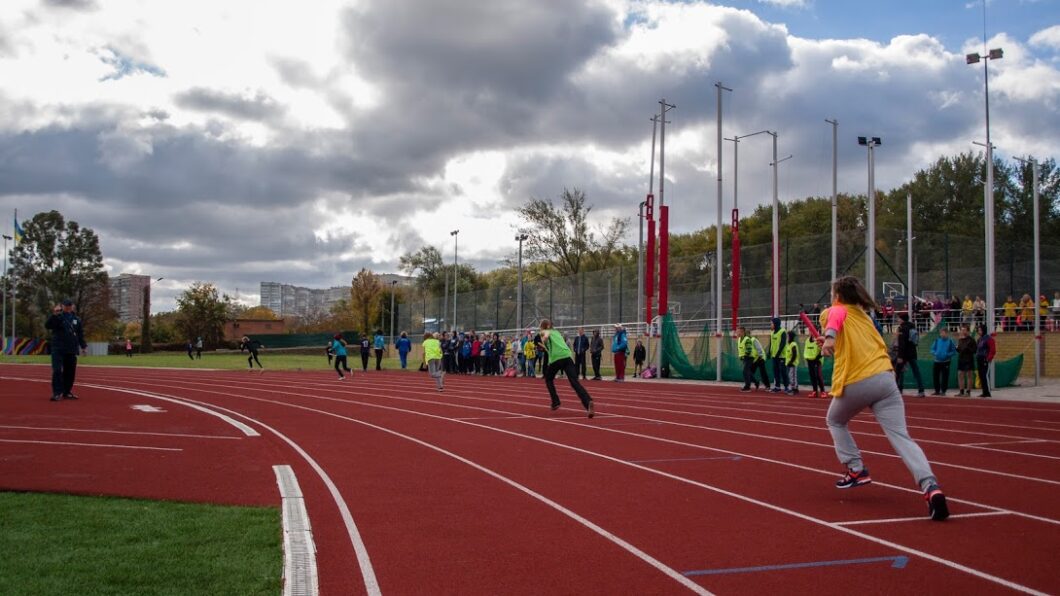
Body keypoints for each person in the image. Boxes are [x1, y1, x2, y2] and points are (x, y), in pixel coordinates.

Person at [818, 276, 948, 521]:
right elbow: (858, 341)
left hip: (858, 379)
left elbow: (835, 318)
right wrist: (833, 341)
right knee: (902, 437)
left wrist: (831, 338)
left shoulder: (834, 311)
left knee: (835, 421)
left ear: (838, 295)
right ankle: (931, 487)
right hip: (886, 379)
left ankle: (855, 468)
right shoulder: (865, 318)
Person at [539, 319, 595, 418]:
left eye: (541, 326)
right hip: (567, 356)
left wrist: (544, 339)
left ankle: (555, 401)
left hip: (556, 359)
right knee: (574, 382)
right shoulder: (557, 332)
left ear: (546, 326)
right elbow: (552, 344)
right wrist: (544, 346)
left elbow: (546, 335)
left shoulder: (545, 331)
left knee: (548, 379)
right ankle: (588, 401)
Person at [45, 299, 87, 401]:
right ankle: (57, 393)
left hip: (71, 349)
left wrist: (83, 346)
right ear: (62, 306)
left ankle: (66, 392)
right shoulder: (58, 317)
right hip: (58, 348)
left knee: (70, 372)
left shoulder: (76, 319)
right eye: (66, 305)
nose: (68, 307)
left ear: (72, 306)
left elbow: (80, 334)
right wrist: (54, 315)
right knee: (57, 370)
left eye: (69, 305)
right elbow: (48, 325)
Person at [894, 313, 926, 397]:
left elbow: (902, 343)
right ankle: (921, 390)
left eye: (899, 318)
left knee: (897, 372)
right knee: (916, 372)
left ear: (902, 319)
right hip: (912, 352)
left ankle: (894, 391)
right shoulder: (912, 326)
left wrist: (900, 356)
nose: (898, 320)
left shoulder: (901, 328)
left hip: (904, 354)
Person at [929, 327, 956, 396]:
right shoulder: (937, 340)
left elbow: (953, 351)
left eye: (943, 333)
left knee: (945, 377)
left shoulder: (950, 341)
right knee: (935, 376)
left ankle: (943, 391)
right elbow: (932, 349)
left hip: (946, 362)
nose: (942, 334)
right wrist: (935, 353)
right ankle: (937, 391)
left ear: (947, 333)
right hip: (936, 361)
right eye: (941, 333)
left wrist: (947, 354)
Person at [804, 328, 826, 398]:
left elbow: (822, 350)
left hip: (817, 360)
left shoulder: (819, 340)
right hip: (810, 360)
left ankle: (823, 391)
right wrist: (807, 358)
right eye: (810, 331)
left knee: (818, 376)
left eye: (813, 330)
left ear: (817, 331)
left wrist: (816, 358)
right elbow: (806, 350)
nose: (811, 332)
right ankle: (814, 391)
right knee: (812, 376)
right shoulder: (807, 340)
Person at [768, 318, 788, 393]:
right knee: (776, 371)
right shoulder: (772, 333)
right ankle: (777, 386)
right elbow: (771, 343)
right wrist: (769, 352)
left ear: (776, 324)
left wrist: (778, 353)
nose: (771, 325)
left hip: (781, 356)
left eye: (772, 323)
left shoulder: (782, 332)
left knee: (783, 371)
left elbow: (782, 344)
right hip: (774, 356)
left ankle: (786, 387)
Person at [975, 323, 996, 398]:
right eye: (978, 330)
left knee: (985, 375)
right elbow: (977, 349)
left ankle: (988, 392)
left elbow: (992, 350)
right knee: (981, 376)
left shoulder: (989, 339)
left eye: (980, 330)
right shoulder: (979, 339)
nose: (979, 331)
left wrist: (988, 359)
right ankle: (984, 391)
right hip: (979, 359)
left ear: (984, 330)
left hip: (985, 359)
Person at [955, 326, 977, 397]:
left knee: (969, 375)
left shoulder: (971, 340)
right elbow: (959, 350)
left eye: (964, 330)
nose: (962, 331)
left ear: (968, 331)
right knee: (960, 374)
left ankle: (968, 392)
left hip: (969, 359)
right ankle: (961, 391)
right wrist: (957, 348)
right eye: (961, 330)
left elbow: (974, 350)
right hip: (961, 359)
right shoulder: (960, 340)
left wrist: (967, 348)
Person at [738, 327, 756, 392]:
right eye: (737, 332)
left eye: (739, 332)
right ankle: (755, 382)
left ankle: (747, 387)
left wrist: (745, 356)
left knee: (745, 371)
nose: (738, 333)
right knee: (747, 371)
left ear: (743, 332)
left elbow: (749, 349)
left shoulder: (747, 339)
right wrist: (741, 356)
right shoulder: (740, 339)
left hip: (749, 357)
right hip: (745, 358)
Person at [784, 330, 799, 395]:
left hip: (792, 364)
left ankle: (794, 389)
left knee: (792, 376)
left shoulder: (793, 344)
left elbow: (794, 354)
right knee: (791, 376)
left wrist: (791, 362)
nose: (787, 337)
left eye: (788, 336)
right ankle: (794, 388)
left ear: (790, 337)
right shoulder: (788, 344)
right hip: (789, 363)